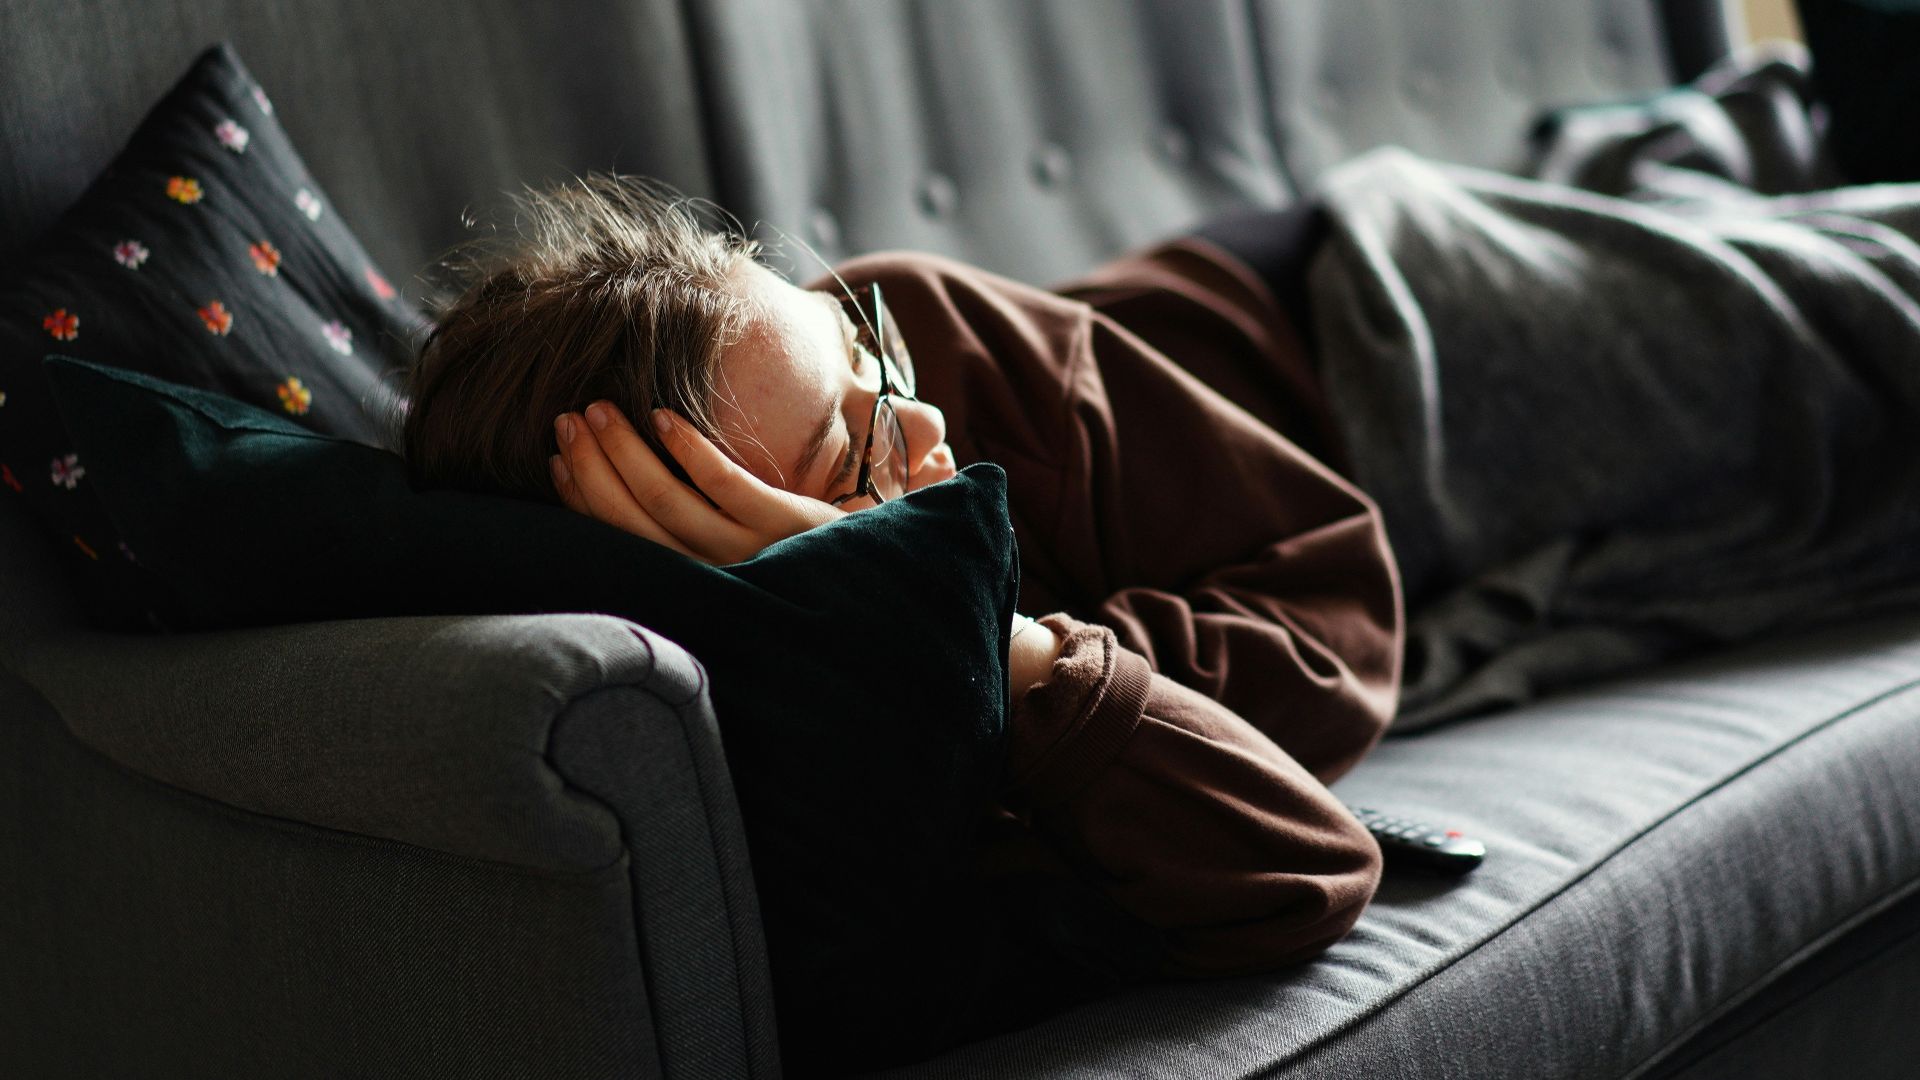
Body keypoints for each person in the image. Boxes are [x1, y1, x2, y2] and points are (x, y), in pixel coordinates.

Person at [402, 176, 1398, 1001]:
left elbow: (1341, 619)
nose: (922, 424)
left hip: (1354, 298)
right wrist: (970, 628)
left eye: (863, 351)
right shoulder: (827, 734)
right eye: (850, 457)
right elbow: (1305, 865)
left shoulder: (935, 327)